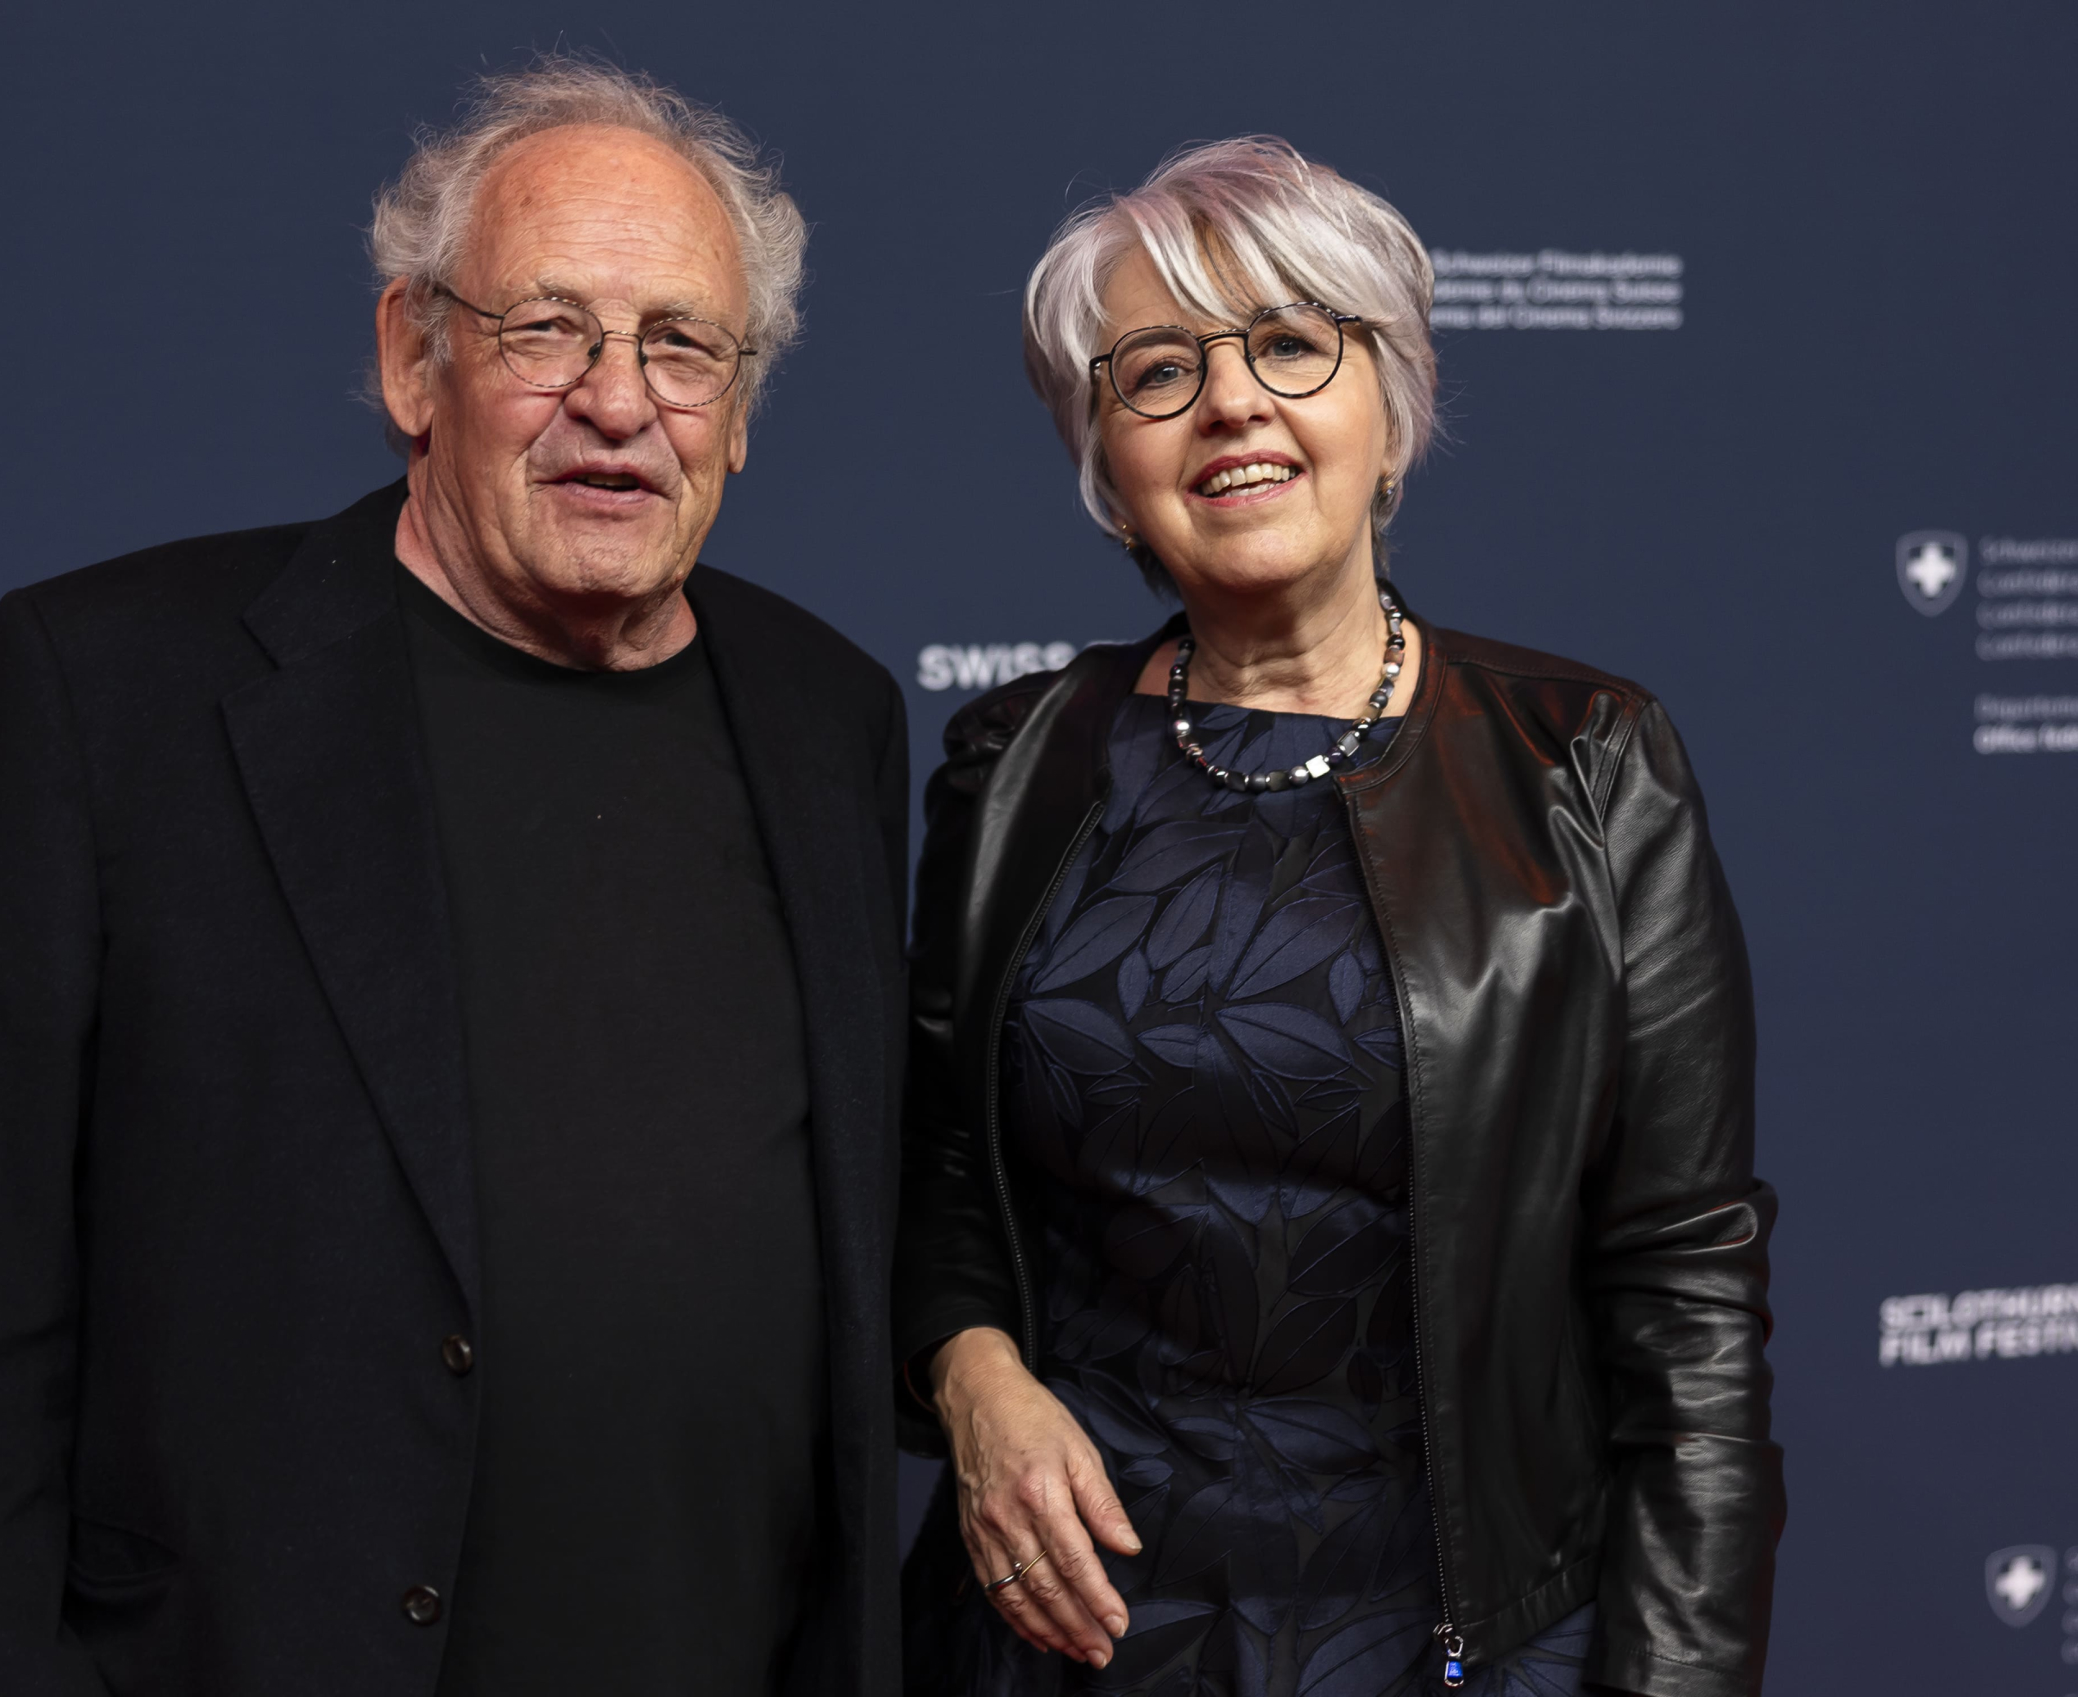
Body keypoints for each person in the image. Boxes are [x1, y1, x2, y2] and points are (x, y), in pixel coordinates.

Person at [0, 60, 907, 1697]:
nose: (619, 401)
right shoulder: (98, 690)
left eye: (683, 346)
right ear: (413, 357)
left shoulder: (829, 713)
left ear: (742, 409)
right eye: (548, 328)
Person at [893, 137, 1782, 1697]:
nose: (1230, 402)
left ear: (1391, 414)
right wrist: (971, 1379)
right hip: (1071, 1645)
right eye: (1154, 370)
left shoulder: (1583, 755)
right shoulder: (1016, 757)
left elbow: (1683, 1282)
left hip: (1464, 1647)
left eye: (1291, 343)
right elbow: (944, 1179)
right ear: (1107, 465)